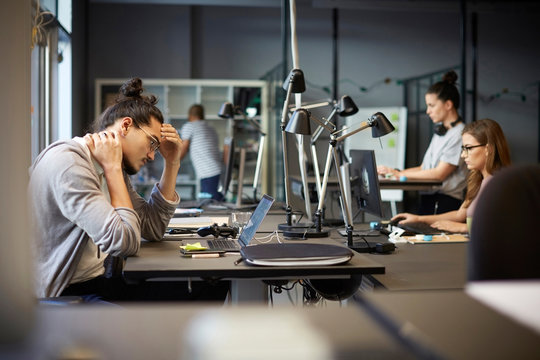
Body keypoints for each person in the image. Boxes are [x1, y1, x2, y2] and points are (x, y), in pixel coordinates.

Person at [29, 78, 183, 300]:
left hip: (101, 279)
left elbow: (152, 227)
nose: (151, 155)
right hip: (66, 294)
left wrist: (172, 163)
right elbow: (124, 243)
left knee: (206, 288)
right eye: (152, 143)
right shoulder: (70, 164)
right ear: (126, 125)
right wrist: (112, 169)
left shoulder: (112, 165)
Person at [391, 118, 511, 233]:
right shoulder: (478, 180)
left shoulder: (500, 184)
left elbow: (504, 227)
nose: (463, 155)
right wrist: (418, 219)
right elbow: (459, 215)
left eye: (468, 148)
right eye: (463, 149)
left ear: (488, 149)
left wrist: (463, 228)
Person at [378, 70, 467, 214]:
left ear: (448, 105)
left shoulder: (459, 134)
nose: (428, 111)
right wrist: (395, 172)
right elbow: (423, 168)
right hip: (429, 199)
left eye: (431, 105)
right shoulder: (442, 131)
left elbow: (439, 174)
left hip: (445, 201)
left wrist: (398, 175)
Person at [179, 104, 224, 201]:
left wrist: (172, 162)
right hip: (218, 170)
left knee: (211, 204)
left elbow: (184, 147)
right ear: (203, 115)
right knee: (216, 201)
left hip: (208, 172)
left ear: (189, 115)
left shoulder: (189, 126)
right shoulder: (211, 128)